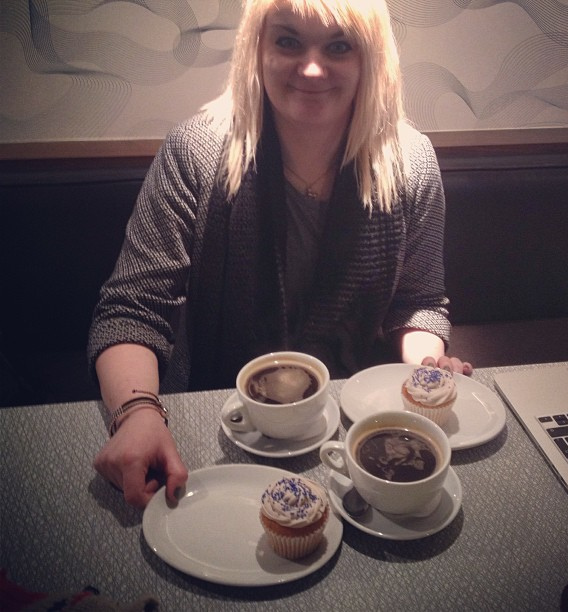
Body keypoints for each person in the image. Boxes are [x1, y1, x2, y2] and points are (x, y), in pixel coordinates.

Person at [88, 0, 473, 509]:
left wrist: (424, 372)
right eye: (288, 41)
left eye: (339, 46)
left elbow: (419, 303)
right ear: (257, 48)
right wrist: (137, 414)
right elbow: (132, 310)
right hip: (216, 426)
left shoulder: (412, 163)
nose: (312, 68)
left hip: (355, 433)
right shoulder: (194, 152)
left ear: (370, 57)